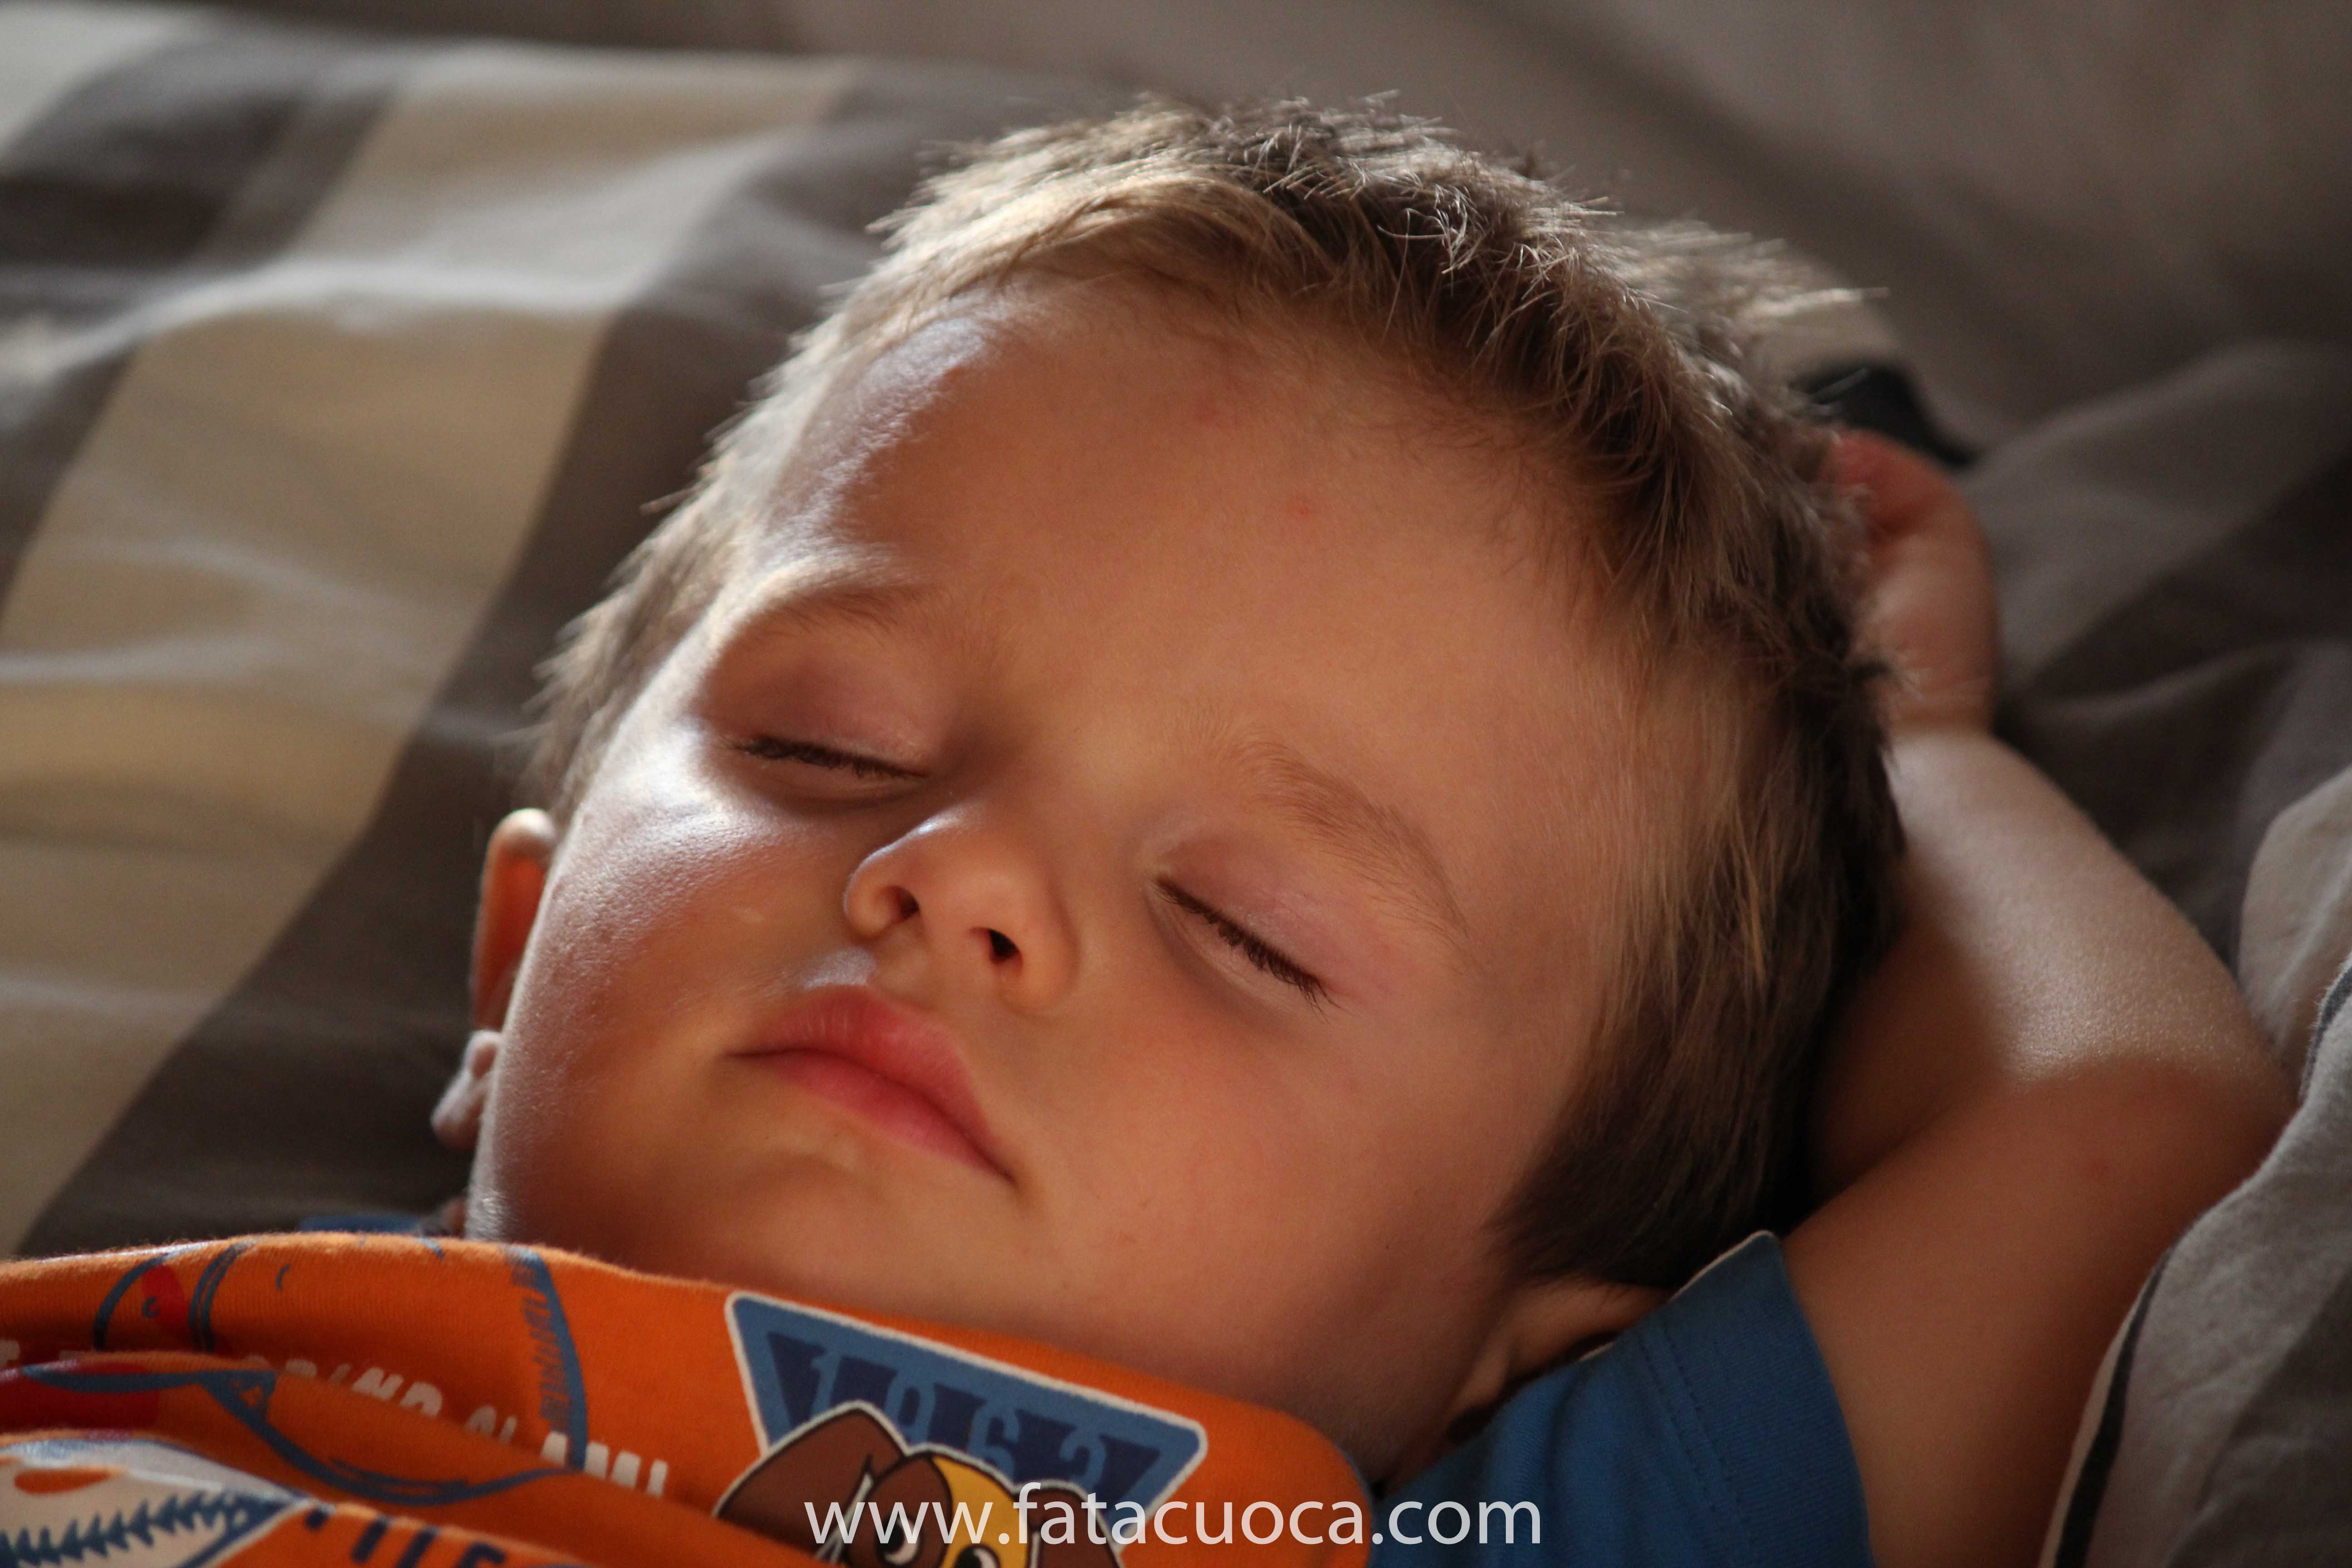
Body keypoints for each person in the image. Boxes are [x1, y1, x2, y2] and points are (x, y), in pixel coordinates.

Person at [0, 103, 2289, 1568]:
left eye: (1242, 923)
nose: (962, 880)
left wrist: (1923, 743)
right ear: (511, 962)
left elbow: (2111, 1136)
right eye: (828, 745)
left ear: (1508, 1345)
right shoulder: (133, 1367)